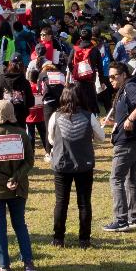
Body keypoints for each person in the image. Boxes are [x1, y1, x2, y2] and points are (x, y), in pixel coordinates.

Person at [0, 99, 36, 271]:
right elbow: (29, 162)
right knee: (20, 225)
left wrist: (2, 179)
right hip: (18, 187)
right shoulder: (22, 134)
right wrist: (16, 177)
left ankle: (4, 266)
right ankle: (28, 263)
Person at [48, 85, 104, 247]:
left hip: (62, 163)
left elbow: (51, 140)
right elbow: (100, 137)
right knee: (84, 202)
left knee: (61, 202)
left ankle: (58, 238)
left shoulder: (55, 116)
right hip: (84, 164)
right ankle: (84, 240)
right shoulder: (89, 116)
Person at [102, 62, 136, 233]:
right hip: (135, 140)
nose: (111, 80)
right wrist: (114, 123)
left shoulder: (130, 86)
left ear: (124, 75)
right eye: (109, 77)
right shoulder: (125, 89)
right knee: (130, 178)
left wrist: (130, 119)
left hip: (129, 142)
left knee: (116, 178)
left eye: (114, 76)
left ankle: (121, 219)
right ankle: (133, 219)